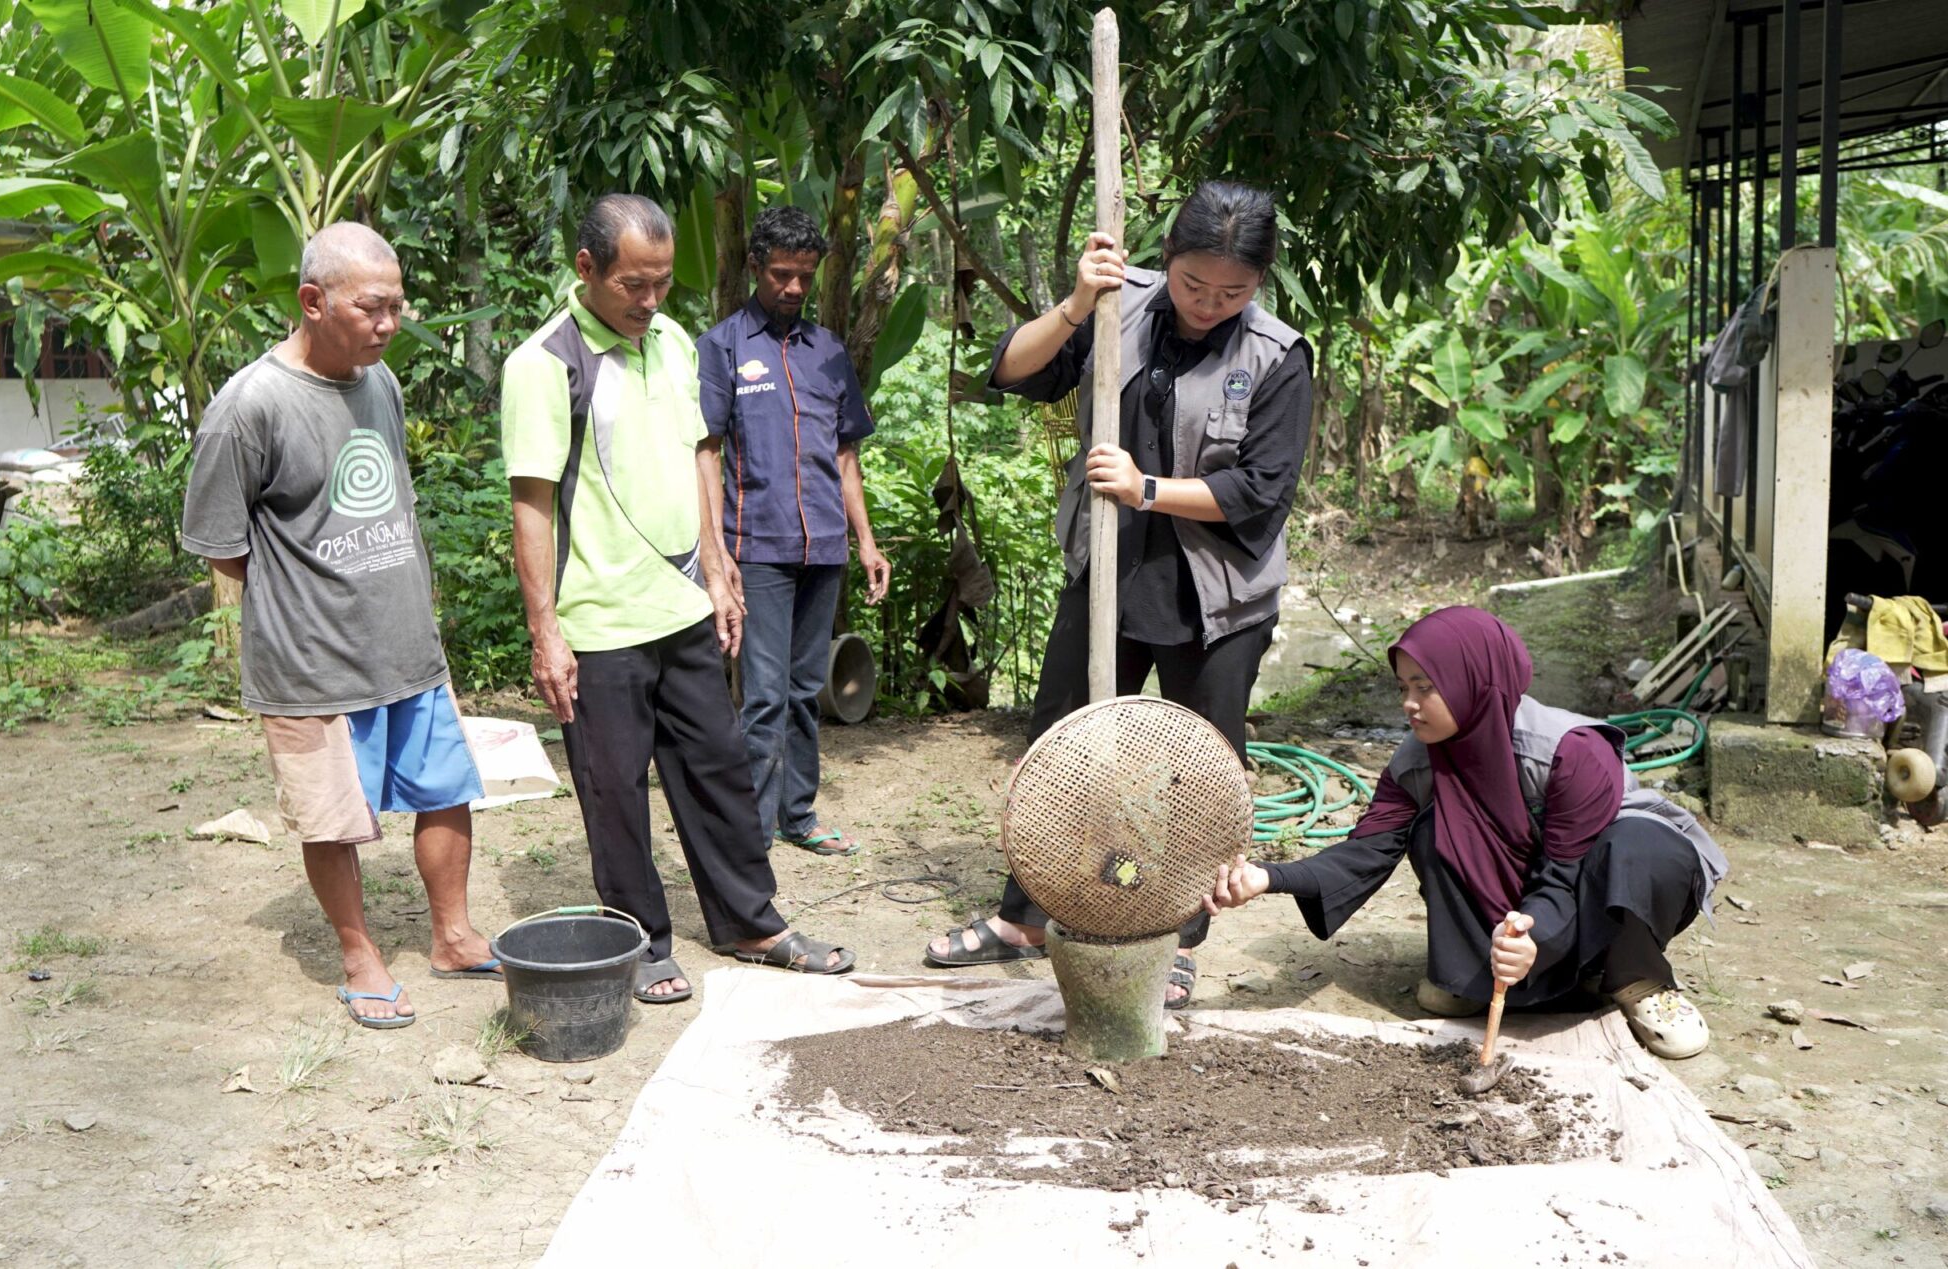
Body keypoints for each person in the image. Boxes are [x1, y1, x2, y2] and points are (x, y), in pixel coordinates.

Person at [923, 181, 1313, 1007]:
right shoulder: (1116, 305)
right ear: (1164, 258)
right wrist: (1073, 304)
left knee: (1197, 772)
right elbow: (1011, 369)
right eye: (1193, 284)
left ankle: (1174, 933)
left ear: (1260, 286)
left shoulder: (1277, 355)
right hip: (1109, 571)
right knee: (1064, 748)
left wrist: (1146, 488)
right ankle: (1026, 916)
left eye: (1233, 292)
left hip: (1219, 598)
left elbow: (1260, 491)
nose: (1210, 305)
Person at [502, 193, 854, 1004]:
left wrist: (719, 564)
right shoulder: (546, 362)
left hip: (685, 604)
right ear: (586, 269)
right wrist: (545, 631)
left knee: (720, 770)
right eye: (634, 283)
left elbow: (702, 451)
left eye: (662, 282)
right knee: (616, 791)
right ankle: (641, 942)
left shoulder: (669, 342)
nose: (651, 298)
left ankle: (750, 920)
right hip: (600, 620)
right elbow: (531, 501)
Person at [182, 222, 496, 1030]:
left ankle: (453, 935)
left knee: (447, 790)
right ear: (313, 302)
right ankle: (360, 954)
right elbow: (226, 551)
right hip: (310, 660)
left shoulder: (376, 381)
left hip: (406, 643)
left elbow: (389, 502)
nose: (389, 324)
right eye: (372, 307)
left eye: (397, 305)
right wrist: (313, 600)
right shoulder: (247, 407)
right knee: (330, 816)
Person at [1202, 606, 1729, 1059]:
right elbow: (1366, 851)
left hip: (1596, 885)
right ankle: (1500, 972)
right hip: (1534, 899)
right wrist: (1268, 877)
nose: (1409, 704)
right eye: (1404, 688)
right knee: (1431, 829)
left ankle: (1636, 978)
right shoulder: (1417, 761)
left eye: (1426, 688)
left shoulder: (1572, 750)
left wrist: (1536, 937)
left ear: (1474, 680)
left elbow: (1564, 875)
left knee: (1638, 846)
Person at [695, 205, 890, 858]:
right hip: (758, 549)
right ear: (755, 268)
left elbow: (845, 457)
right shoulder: (723, 347)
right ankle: (749, 832)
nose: (795, 289)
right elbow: (707, 452)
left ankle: (797, 815)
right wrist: (716, 552)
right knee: (764, 696)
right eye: (781, 274)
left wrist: (865, 540)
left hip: (825, 549)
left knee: (807, 691)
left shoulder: (830, 351)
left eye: (805, 276)